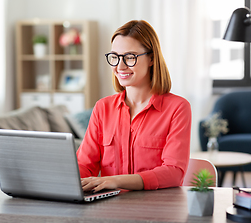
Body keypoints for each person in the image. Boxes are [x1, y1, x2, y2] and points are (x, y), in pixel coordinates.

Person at [77, 20, 191, 192]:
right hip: (110, 207)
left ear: (152, 58)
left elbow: (174, 172)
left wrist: (116, 181)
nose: (120, 66)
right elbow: (84, 165)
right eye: (115, 57)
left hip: (157, 209)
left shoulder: (178, 108)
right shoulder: (103, 108)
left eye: (130, 57)